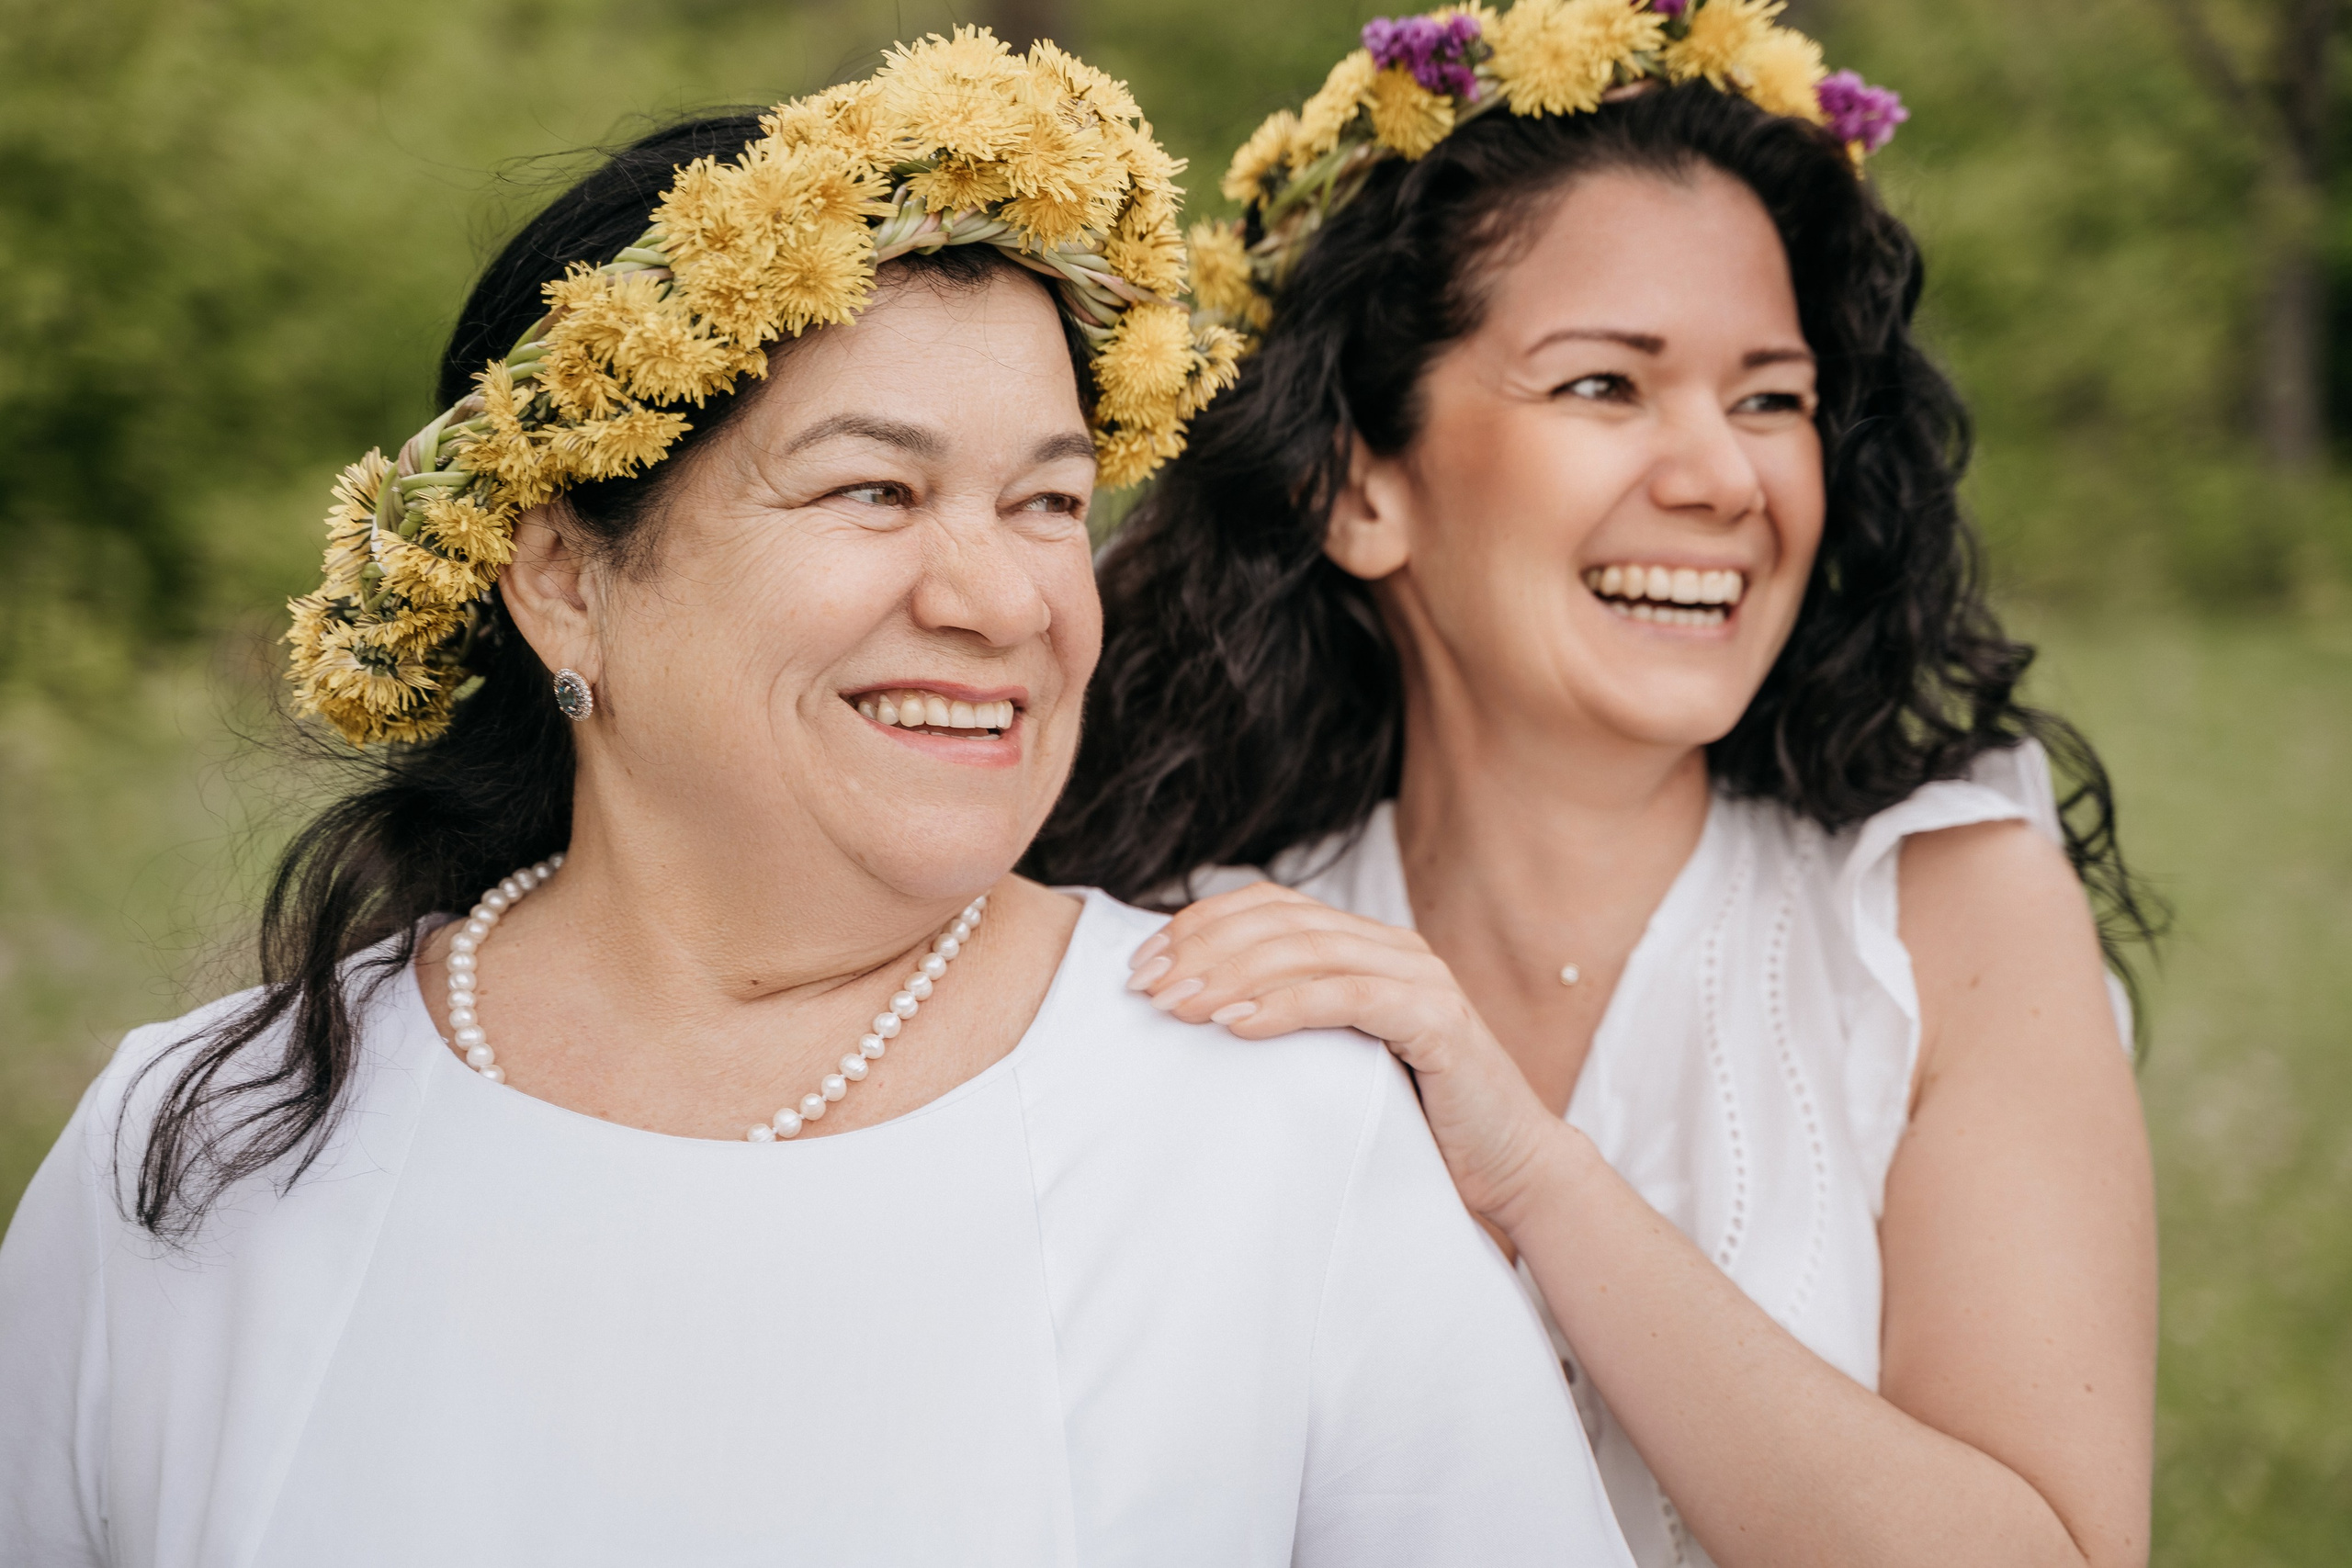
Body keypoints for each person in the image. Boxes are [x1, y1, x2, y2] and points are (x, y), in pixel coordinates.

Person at [0, 35, 1637, 1567]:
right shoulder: (198, 1143)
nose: (1002, 600)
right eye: (876, 487)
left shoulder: (1268, 1130)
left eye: (1050, 501)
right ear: (566, 581)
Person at [1034, 6, 2159, 1567]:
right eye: (1605, 389)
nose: (1723, 475)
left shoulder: (1951, 915)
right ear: (1357, 485)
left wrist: (1535, 1175)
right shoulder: (1194, 961)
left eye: (1773, 397)